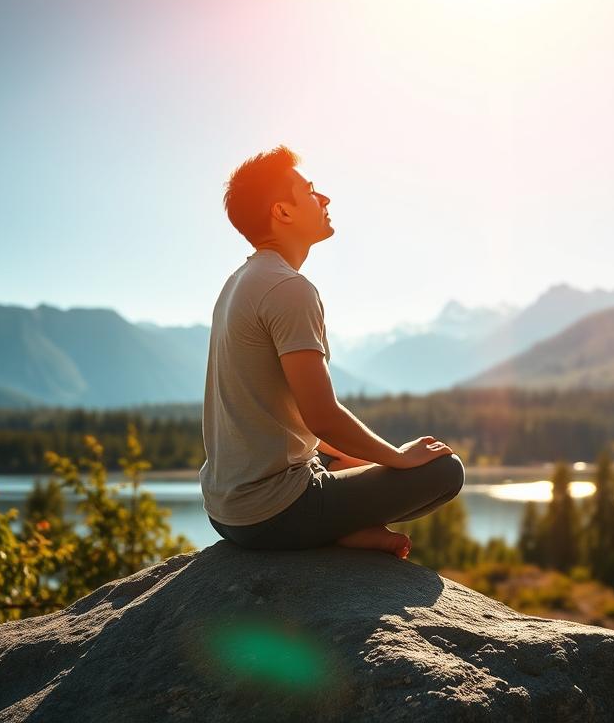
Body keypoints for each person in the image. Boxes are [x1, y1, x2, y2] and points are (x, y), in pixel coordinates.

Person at [199, 145, 465, 559]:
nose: (324, 199)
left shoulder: (240, 281)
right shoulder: (289, 289)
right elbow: (321, 416)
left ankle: (337, 528)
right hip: (275, 513)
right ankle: (333, 531)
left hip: (226, 511)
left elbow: (291, 421)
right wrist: (397, 457)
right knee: (445, 471)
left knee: (340, 459)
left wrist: (354, 457)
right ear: (282, 212)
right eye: (309, 191)